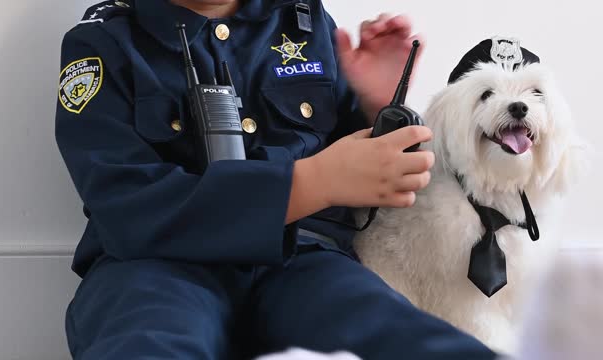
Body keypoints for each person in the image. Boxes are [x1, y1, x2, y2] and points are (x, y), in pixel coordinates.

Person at [55, 0, 497, 359]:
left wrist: (372, 106)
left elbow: (359, 171)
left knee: (392, 332)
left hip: (302, 259)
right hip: (153, 266)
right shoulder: (104, 44)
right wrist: (305, 184)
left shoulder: (303, 23)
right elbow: (126, 206)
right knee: (147, 340)